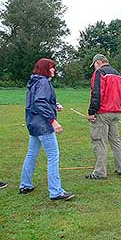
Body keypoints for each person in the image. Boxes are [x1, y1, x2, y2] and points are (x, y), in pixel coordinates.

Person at [20, 58, 74, 200]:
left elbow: (39, 100)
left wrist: (54, 104)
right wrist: (53, 121)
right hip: (43, 125)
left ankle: (25, 184)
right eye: (51, 68)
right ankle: (56, 192)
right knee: (53, 156)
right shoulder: (43, 82)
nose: (54, 70)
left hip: (33, 124)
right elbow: (39, 102)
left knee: (31, 154)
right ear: (45, 69)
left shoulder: (35, 81)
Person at [86, 54, 121, 179]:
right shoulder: (119, 75)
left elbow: (96, 93)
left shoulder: (100, 73)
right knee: (116, 140)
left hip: (103, 112)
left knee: (99, 141)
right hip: (116, 111)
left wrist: (91, 112)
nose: (94, 68)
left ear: (98, 62)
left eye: (94, 65)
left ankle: (100, 172)